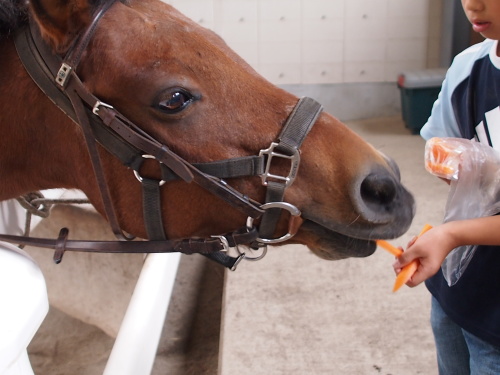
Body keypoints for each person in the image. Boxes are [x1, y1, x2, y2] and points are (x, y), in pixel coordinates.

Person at [393, 0, 500, 374]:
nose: (472, 3)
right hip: (458, 287)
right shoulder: (470, 65)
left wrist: (450, 235)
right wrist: (462, 165)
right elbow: (440, 146)